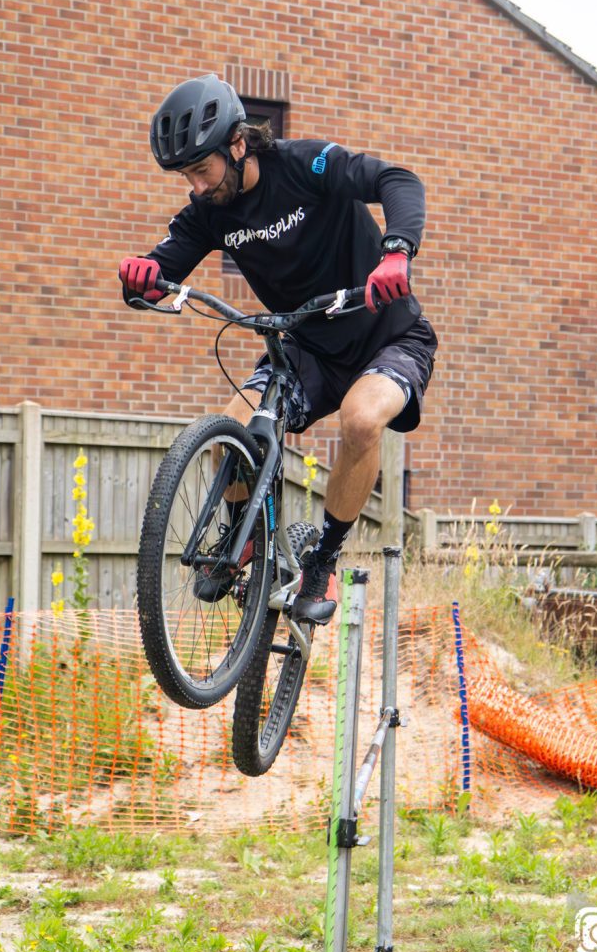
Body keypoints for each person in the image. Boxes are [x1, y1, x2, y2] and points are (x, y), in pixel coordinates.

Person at [119, 74, 437, 624]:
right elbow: (160, 270)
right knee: (231, 430)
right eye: (185, 175)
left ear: (237, 144)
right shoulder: (211, 211)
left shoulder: (307, 165)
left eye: (200, 169)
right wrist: (141, 278)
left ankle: (323, 559)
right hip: (306, 347)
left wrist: (397, 252)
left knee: (362, 421)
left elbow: (398, 180)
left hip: (387, 336)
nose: (195, 186)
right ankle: (243, 539)